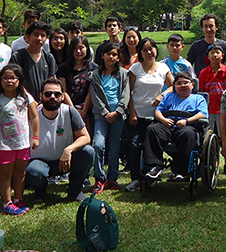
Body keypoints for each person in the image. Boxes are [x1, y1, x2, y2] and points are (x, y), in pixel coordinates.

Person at [25, 78, 94, 203]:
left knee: (88, 151)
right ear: (41, 96)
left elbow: (85, 137)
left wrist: (69, 150)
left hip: (65, 161)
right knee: (34, 171)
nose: (53, 97)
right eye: (48, 94)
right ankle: (40, 190)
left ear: (62, 97)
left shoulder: (69, 111)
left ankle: (75, 191)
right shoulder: (32, 114)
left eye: (57, 94)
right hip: (39, 162)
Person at [0, 63, 39, 215]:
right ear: (0, 81)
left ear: (19, 80)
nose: (9, 81)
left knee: (20, 173)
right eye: (5, 78)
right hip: (5, 145)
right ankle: (6, 203)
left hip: (23, 143)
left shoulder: (26, 98)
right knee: (6, 175)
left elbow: (34, 117)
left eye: (12, 78)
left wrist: (35, 137)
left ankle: (18, 199)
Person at [126, 37, 173, 192]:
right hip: (137, 114)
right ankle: (135, 179)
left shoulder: (163, 68)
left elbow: (173, 86)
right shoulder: (135, 68)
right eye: (145, 49)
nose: (149, 52)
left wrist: (162, 95)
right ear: (140, 52)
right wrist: (132, 112)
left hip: (157, 115)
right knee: (135, 146)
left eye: (151, 48)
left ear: (156, 50)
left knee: (152, 145)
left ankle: (153, 172)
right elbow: (128, 92)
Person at [143, 71, 208, 182]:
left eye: (185, 83)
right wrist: (163, 120)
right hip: (168, 125)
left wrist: (187, 121)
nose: (182, 86)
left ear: (192, 85)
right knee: (152, 129)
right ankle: (156, 166)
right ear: (174, 86)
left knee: (188, 134)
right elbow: (158, 111)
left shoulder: (198, 98)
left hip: (187, 126)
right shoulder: (168, 96)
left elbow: (203, 114)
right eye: (179, 83)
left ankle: (181, 171)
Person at [88, 42, 130, 192]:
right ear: (102, 56)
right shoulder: (95, 75)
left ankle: (112, 178)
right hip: (101, 116)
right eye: (108, 54)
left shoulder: (123, 74)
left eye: (114, 55)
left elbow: (125, 94)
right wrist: (105, 112)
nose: (111, 57)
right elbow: (95, 96)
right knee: (98, 145)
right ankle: (99, 178)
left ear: (118, 57)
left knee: (114, 147)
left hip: (118, 116)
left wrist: (117, 111)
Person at [9, 20, 57, 100]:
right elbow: (15, 81)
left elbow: (50, 82)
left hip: (44, 102)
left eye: (43, 36)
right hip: (23, 100)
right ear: (28, 36)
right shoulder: (18, 57)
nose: (39, 38)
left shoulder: (49, 58)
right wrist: (30, 100)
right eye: (36, 35)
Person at [57, 36, 97, 126]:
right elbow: (63, 91)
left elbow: (91, 91)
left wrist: (84, 110)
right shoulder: (64, 68)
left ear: (87, 49)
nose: (78, 51)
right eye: (75, 49)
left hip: (88, 110)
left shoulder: (93, 68)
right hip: (69, 108)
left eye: (81, 48)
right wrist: (74, 110)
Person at [197, 42, 226, 136]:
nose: (215, 55)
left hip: (223, 108)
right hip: (209, 109)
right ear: (208, 57)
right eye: (212, 53)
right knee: (207, 134)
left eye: (217, 52)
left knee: (223, 133)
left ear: (222, 56)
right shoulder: (203, 73)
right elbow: (201, 92)